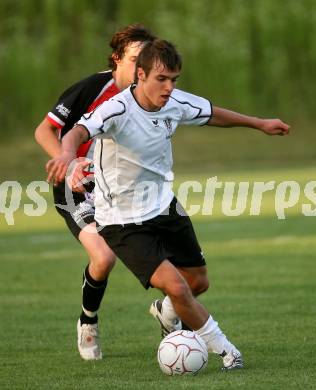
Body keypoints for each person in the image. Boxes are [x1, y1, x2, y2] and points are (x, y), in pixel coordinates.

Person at [46, 39, 290, 370]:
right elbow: (78, 131)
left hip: (164, 206)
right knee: (177, 286)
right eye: (161, 79)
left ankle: (167, 311)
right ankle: (226, 351)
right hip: (122, 219)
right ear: (140, 74)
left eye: (174, 79)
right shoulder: (117, 109)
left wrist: (259, 123)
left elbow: (212, 113)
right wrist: (66, 157)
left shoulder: (173, 102)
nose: (169, 86)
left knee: (197, 282)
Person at [34, 24, 156, 361]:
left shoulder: (147, 93)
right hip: (74, 187)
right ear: (117, 59)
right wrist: (68, 161)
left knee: (163, 248)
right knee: (103, 257)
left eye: (146, 58)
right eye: (134, 59)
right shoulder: (92, 87)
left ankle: (171, 313)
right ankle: (88, 321)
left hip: (118, 187)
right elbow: (45, 130)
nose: (141, 66)